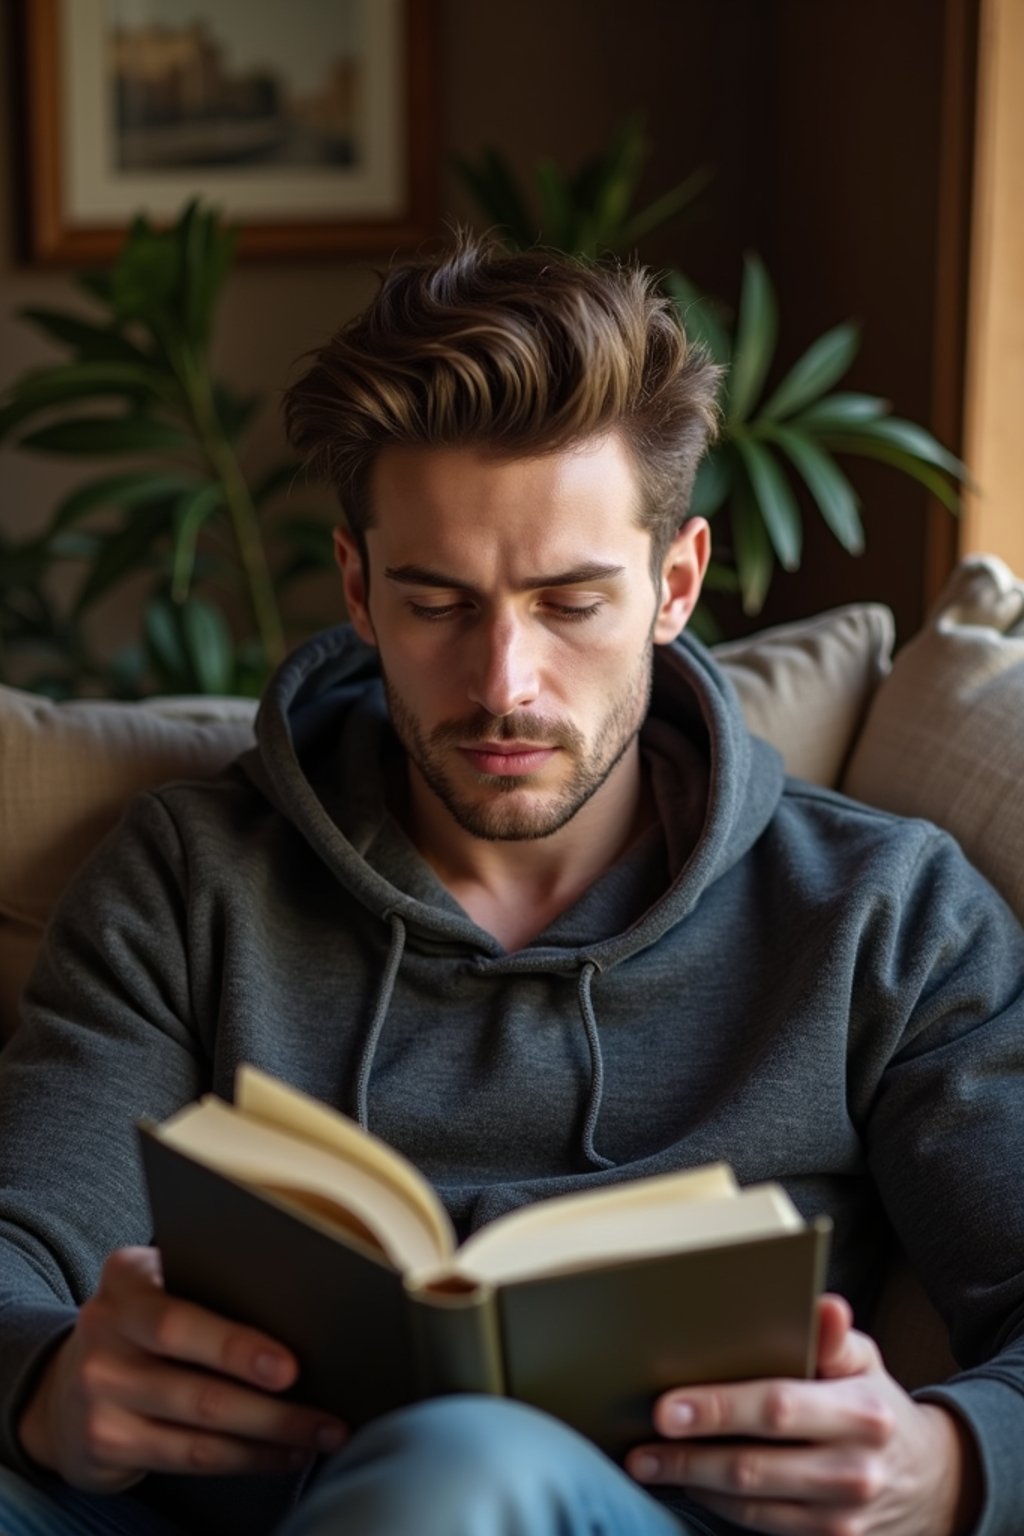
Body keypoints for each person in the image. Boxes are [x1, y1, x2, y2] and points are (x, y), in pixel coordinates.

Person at [0, 234, 1020, 1536]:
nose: (502, 684)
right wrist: (46, 1384)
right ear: (360, 590)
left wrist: (948, 1464)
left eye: (571, 604)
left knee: (457, 1471)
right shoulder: (189, 878)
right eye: (437, 604)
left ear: (678, 584)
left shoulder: (885, 916)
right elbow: (23, 1249)